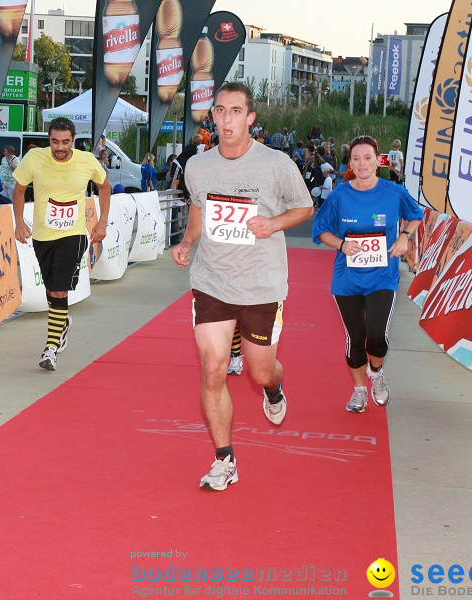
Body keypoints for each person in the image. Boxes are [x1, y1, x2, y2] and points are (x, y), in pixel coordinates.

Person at [170, 81, 314, 491]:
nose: (226, 118)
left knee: (260, 370)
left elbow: (305, 207)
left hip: (261, 285)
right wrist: (187, 241)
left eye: (235, 111)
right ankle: (224, 460)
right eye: (220, 111)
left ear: (250, 118)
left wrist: (273, 223)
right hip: (212, 281)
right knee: (213, 369)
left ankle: (274, 390)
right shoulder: (199, 165)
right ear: (212, 116)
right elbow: (199, 206)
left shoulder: (275, 163)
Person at [311, 135, 423, 413]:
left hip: (382, 275)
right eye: (356, 158)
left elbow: (416, 215)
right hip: (347, 278)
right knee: (355, 337)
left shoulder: (393, 192)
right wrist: (341, 244)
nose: (362, 163)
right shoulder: (339, 194)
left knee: (377, 335)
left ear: (378, 161)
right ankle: (359, 390)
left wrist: (404, 236)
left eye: (367, 158)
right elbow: (320, 229)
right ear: (350, 163)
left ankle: (376, 371)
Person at [13, 117, 111, 371]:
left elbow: (105, 187)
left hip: (73, 234)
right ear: (49, 140)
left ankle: (50, 348)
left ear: (73, 141)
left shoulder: (87, 161)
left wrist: (101, 223)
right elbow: (19, 190)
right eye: (55, 142)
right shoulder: (34, 159)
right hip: (43, 236)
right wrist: (19, 222)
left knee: (58, 289)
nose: (60, 147)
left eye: (65, 142)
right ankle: (62, 322)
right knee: (51, 288)